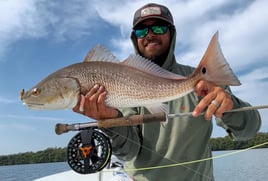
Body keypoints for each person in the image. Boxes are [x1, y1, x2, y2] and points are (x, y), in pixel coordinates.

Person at [73, 3, 261, 181]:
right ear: (135, 39)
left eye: (159, 28)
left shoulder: (203, 79)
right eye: (141, 30)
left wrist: (230, 107)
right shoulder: (120, 86)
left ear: (172, 34)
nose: (150, 35)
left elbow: (249, 131)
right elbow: (129, 152)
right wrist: (110, 121)